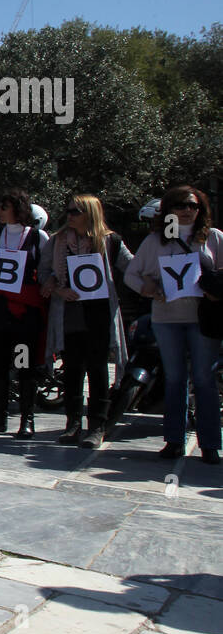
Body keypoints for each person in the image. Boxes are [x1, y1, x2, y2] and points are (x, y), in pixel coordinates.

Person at [123, 185, 223, 462]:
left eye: (193, 206)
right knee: (175, 379)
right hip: (167, 318)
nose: (188, 210)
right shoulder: (156, 241)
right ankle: (174, 440)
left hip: (203, 319)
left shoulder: (213, 238)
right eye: (181, 206)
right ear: (168, 210)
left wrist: (214, 286)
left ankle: (211, 444)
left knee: (204, 379)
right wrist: (148, 287)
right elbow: (132, 274)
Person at [41, 194, 133, 448]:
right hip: (69, 314)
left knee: (98, 370)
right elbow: (44, 273)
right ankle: (72, 424)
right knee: (72, 370)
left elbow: (132, 267)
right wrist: (58, 289)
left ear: (90, 213)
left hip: (99, 313)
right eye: (68, 211)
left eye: (75, 211)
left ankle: (97, 426)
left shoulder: (110, 241)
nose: (69, 216)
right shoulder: (57, 241)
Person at [0, 189, 52, 439]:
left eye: (4, 206)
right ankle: (0, 418)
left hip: (24, 314)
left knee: (24, 365)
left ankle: (26, 419)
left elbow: (45, 271)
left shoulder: (38, 237)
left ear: (17, 209)